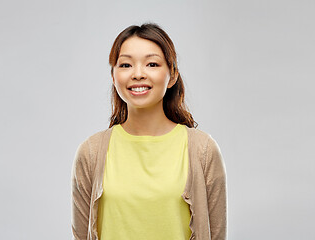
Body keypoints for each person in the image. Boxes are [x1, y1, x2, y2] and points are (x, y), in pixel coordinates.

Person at [71, 23, 227, 240]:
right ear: (113, 76)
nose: (138, 74)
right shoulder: (91, 152)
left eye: (152, 64)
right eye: (126, 65)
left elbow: (216, 234)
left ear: (172, 76)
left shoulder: (202, 150)